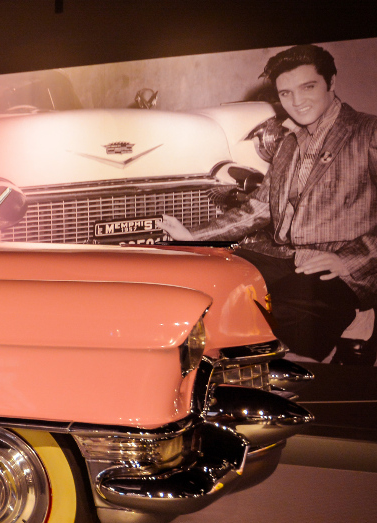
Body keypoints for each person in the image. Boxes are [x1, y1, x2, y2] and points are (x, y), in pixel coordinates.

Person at [161, 44, 377, 363]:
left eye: (308, 87)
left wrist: (349, 261)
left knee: (270, 313)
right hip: (285, 257)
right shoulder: (289, 144)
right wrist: (195, 237)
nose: (297, 101)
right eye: (286, 93)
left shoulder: (368, 132)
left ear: (331, 83)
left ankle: (353, 328)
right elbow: (259, 209)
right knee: (201, 280)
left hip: (340, 266)